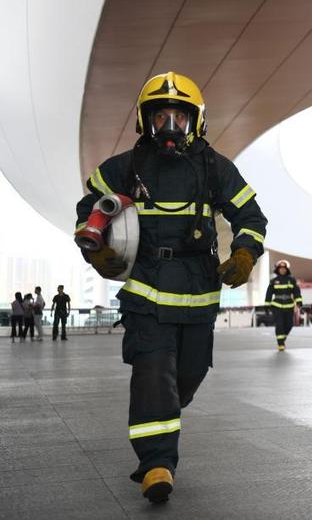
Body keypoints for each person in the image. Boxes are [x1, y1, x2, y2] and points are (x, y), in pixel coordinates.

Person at [74, 72, 267, 503]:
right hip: (146, 291)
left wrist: (245, 253)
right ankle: (156, 464)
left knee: (187, 377)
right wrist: (96, 249)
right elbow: (88, 211)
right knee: (153, 374)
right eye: (161, 116)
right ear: (146, 121)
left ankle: (161, 419)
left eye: (179, 118)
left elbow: (251, 218)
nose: (170, 126)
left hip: (199, 293)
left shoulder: (216, 168)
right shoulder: (125, 167)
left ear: (195, 122)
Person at [264, 260, 302, 352]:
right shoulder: (273, 281)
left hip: (289, 305)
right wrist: (267, 305)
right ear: (277, 269)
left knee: (289, 324)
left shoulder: (291, 280)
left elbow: (296, 292)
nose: (282, 270)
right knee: (279, 324)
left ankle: (282, 339)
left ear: (287, 269)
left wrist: (299, 301)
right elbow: (269, 294)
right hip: (277, 306)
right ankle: (280, 343)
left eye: (284, 268)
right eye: (280, 268)